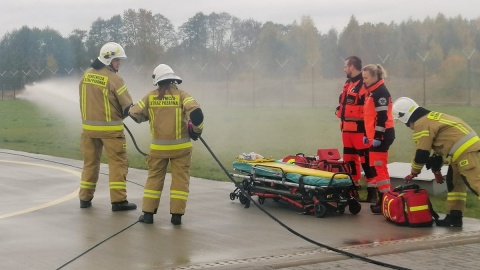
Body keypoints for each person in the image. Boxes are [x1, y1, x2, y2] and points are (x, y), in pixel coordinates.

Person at [129, 64, 204, 225]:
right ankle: (176, 217)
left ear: (158, 81)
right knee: (180, 182)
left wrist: (148, 116)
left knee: (154, 180)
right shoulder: (182, 95)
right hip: (181, 149)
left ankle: (148, 215)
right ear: (173, 80)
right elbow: (197, 113)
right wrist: (196, 131)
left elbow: (134, 113)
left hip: (158, 150)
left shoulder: (151, 97)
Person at [393, 97, 480, 227]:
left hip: (465, 152)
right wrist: (436, 170)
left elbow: (422, 153)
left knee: (476, 184)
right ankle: (454, 217)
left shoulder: (421, 124)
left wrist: (414, 172)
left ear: (405, 117)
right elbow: (439, 148)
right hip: (460, 152)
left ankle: (454, 216)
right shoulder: (431, 117)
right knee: (454, 185)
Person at [78, 42, 137, 211]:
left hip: (89, 131)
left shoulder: (86, 75)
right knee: (118, 164)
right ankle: (118, 201)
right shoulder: (114, 79)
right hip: (111, 131)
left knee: (90, 164)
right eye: (117, 60)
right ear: (108, 60)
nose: (119, 64)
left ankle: (85, 198)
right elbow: (127, 107)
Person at [336, 56, 377, 202]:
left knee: (366, 160)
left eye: (346, 66)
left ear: (352, 67)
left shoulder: (364, 84)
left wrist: (368, 131)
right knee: (349, 161)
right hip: (347, 130)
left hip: (360, 130)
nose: (344, 69)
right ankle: (354, 190)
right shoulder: (348, 83)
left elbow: (369, 108)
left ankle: (373, 191)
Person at [362, 64, 395, 213]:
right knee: (379, 167)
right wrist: (366, 135)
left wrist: (377, 136)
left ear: (375, 77)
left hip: (382, 135)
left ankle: (384, 200)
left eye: (366, 78)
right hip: (375, 135)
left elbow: (382, 117)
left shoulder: (380, 92)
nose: (364, 81)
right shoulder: (372, 92)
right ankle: (385, 198)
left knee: (379, 168)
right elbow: (369, 117)